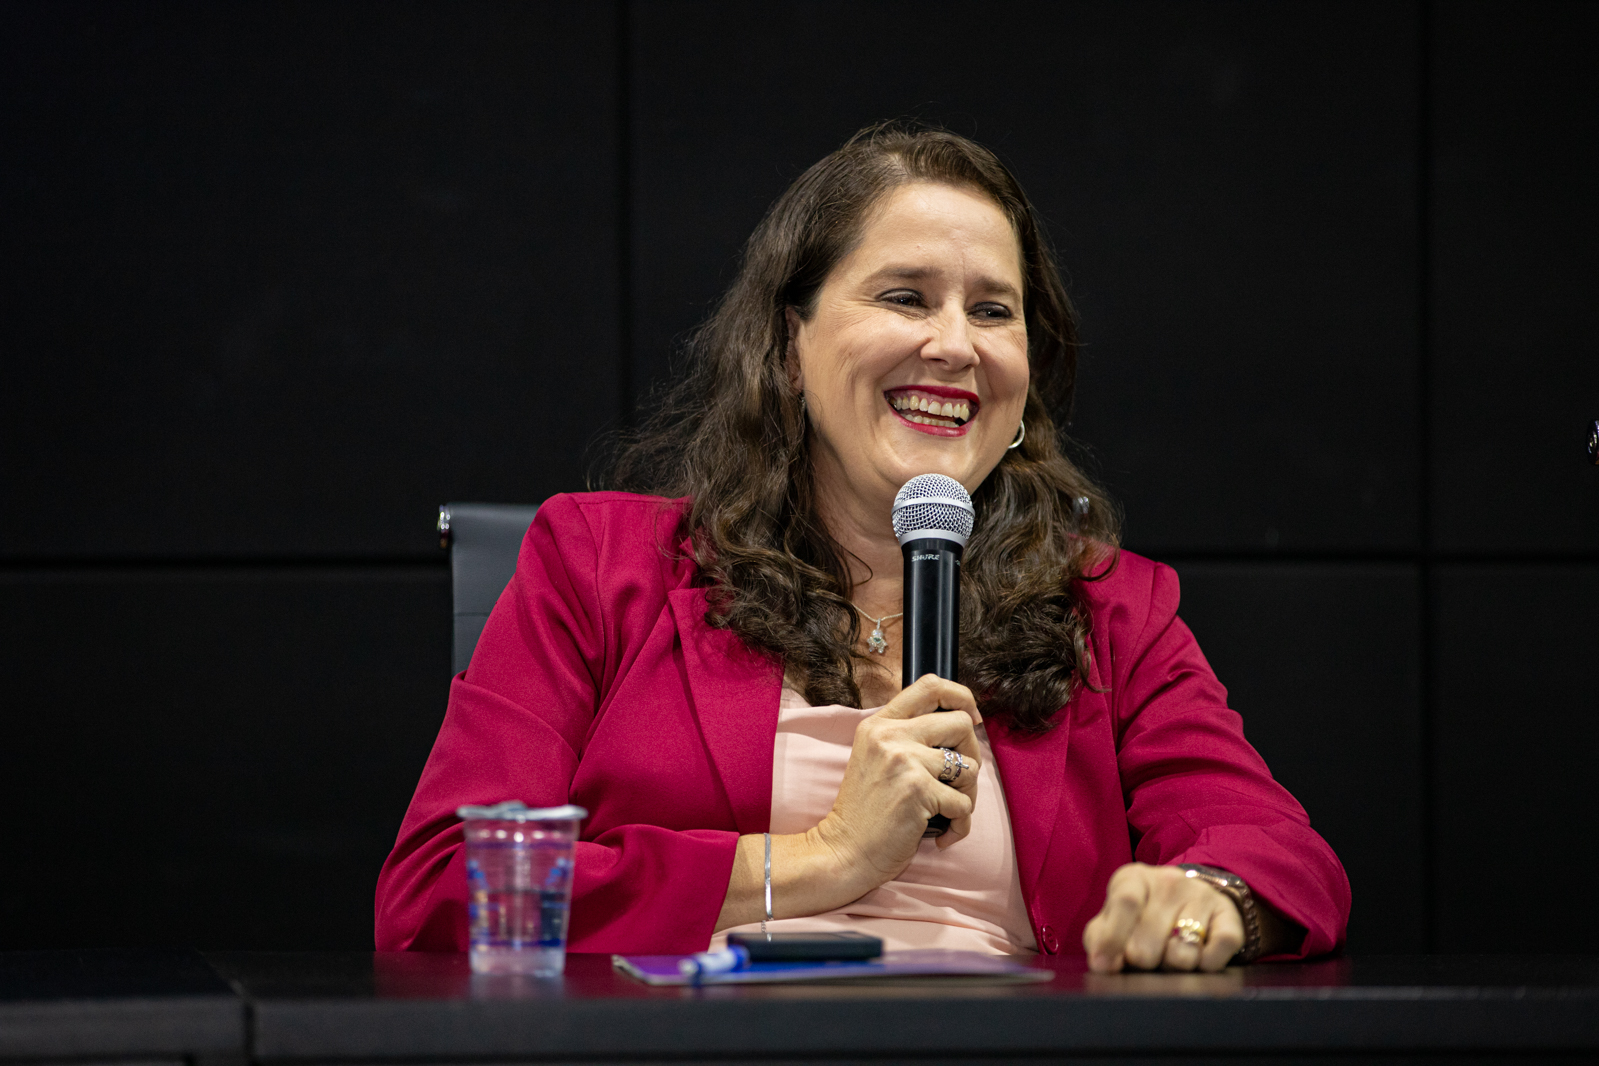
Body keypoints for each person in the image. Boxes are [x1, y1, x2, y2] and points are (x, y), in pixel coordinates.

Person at [376, 123, 1349, 971]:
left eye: (993, 310)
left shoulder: (1110, 606)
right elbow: (438, 890)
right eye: (906, 297)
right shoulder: (597, 562)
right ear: (787, 349)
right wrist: (827, 856)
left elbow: (1281, 855)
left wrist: (1206, 902)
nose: (955, 345)